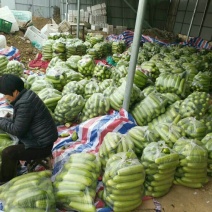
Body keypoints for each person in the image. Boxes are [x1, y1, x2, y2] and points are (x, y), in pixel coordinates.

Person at [0, 74, 58, 184]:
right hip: (40, 137)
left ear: (15, 92)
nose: (4, 97)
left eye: (5, 94)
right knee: (12, 141)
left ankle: (5, 181)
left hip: (41, 146)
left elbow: (17, 130)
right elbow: (21, 121)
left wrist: (1, 121)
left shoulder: (24, 103)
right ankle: (13, 167)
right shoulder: (27, 95)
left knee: (8, 153)